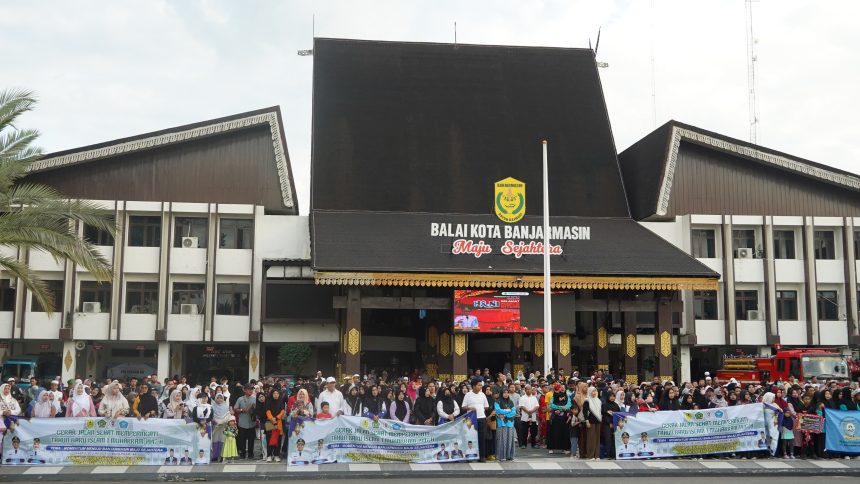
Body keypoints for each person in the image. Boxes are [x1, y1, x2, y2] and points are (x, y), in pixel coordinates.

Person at [460, 379, 490, 461]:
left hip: (481, 418)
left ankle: (482, 456)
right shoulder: (468, 395)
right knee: (469, 436)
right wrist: (470, 408)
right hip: (470, 419)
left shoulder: (482, 394)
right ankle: (469, 456)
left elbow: (486, 406)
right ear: (473, 386)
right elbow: (463, 407)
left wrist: (481, 409)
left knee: (481, 437)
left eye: (481, 385)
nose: (480, 387)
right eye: (479, 385)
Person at [233, 384, 256, 460]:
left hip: (251, 422)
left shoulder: (254, 399)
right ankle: (242, 453)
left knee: (251, 439)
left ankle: (251, 454)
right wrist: (242, 410)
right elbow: (235, 408)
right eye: (249, 389)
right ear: (245, 390)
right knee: (242, 439)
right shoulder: (240, 399)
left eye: (252, 389)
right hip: (242, 422)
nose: (251, 391)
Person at [547, 382, 571, 455]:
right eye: (561, 387)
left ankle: (564, 448)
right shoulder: (554, 396)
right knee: (553, 432)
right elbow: (551, 405)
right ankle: (551, 448)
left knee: (564, 433)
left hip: (564, 417)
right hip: (555, 417)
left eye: (563, 387)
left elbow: (569, 405)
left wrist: (564, 408)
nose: (562, 388)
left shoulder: (567, 396)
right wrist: (560, 408)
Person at [494, 388, 517, 461]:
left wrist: (505, 415)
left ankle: (509, 456)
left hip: (510, 423)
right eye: (504, 392)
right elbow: (498, 410)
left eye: (507, 392)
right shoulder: (497, 401)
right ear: (501, 393)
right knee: (502, 440)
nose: (506, 394)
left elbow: (513, 412)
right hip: (501, 423)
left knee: (510, 440)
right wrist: (507, 410)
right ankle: (501, 456)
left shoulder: (511, 402)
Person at [265, 388, 285, 462]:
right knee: (269, 439)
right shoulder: (269, 401)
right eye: (274, 393)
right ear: (272, 394)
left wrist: (277, 417)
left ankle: (276, 455)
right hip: (270, 422)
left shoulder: (281, 402)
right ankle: (269, 455)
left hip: (279, 422)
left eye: (277, 393)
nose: (276, 395)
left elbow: (282, 411)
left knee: (278, 440)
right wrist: (272, 419)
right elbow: (267, 411)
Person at [582, 386, 602, 460]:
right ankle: (590, 455)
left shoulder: (599, 401)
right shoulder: (587, 401)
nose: (594, 393)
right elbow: (585, 412)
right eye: (593, 391)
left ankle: (597, 455)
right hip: (591, 422)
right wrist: (587, 421)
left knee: (597, 439)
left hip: (598, 421)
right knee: (591, 439)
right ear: (590, 392)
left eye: (595, 391)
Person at [211, 393, 232, 463]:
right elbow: (211, 415)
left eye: (221, 398)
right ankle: (215, 456)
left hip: (223, 426)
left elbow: (228, 415)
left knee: (223, 440)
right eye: (218, 398)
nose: (219, 399)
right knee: (215, 440)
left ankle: (222, 455)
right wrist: (216, 422)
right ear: (215, 398)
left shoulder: (226, 406)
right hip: (215, 426)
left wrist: (222, 421)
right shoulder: (212, 406)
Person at [518, 385, 539, 449]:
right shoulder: (522, 398)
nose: (528, 390)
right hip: (525, 417)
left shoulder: (534, 398)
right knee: (524, 432)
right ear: (525, 390)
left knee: (534, 432)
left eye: (530, 389)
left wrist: (532, 411)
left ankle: (533, 444)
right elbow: (521, 406)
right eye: (527, 389)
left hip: (533, 417)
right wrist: (528, 412)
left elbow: (537, 406)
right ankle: (524, 444)